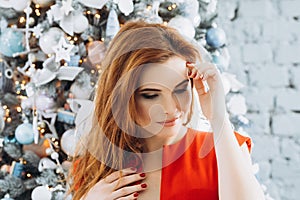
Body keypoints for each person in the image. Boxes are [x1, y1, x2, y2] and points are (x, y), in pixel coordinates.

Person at [68, 21, 265, 200]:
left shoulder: (224, 151)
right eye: (151, 95)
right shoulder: (93, 170)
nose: (171, 109)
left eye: (180, 89)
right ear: (123, 99)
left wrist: (218, 116)